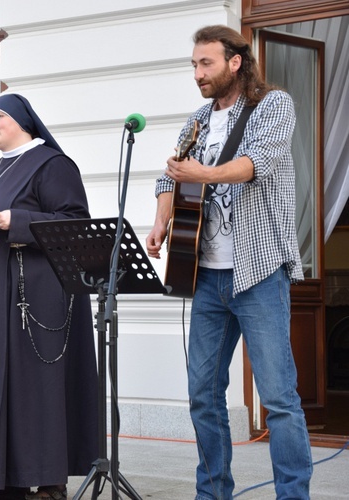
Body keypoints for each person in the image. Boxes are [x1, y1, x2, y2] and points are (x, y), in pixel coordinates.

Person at [145, 25, 312, 500]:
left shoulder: (273, 105)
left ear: (234, 62)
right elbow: (169, 177)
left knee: (278, 399)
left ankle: (292, 495)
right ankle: (213, 493)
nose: (197, 73)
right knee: (203, 395)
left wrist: (205, 173)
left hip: (258, 272)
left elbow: (258, 162)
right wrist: (161, 219)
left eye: (206, 64)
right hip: (206, 276)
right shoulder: (197, 119)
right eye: (194, 64)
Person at [0, 94, 100, 500]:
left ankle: (49, 480)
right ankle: (1, 482)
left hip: (31, 294)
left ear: (22, 120)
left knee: (34, 389)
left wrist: (17, 220)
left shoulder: (51, 164)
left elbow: (74, 222)